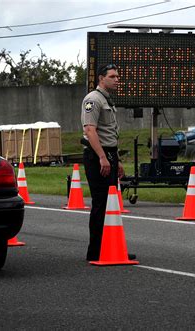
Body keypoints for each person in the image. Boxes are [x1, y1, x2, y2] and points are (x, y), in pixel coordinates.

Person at [81, 63, 134, 262]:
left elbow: (110, 133)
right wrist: (102, 157)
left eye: (118, 76)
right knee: (101, 203)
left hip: (109, 155)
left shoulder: (107, 100)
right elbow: (90, 130)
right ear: (101, 78)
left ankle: (112, 246)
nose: (117, 79)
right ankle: (95, 250)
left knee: (111, 204)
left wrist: (116, 159)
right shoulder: (93, 100)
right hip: (97, 157)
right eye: (113, 76)